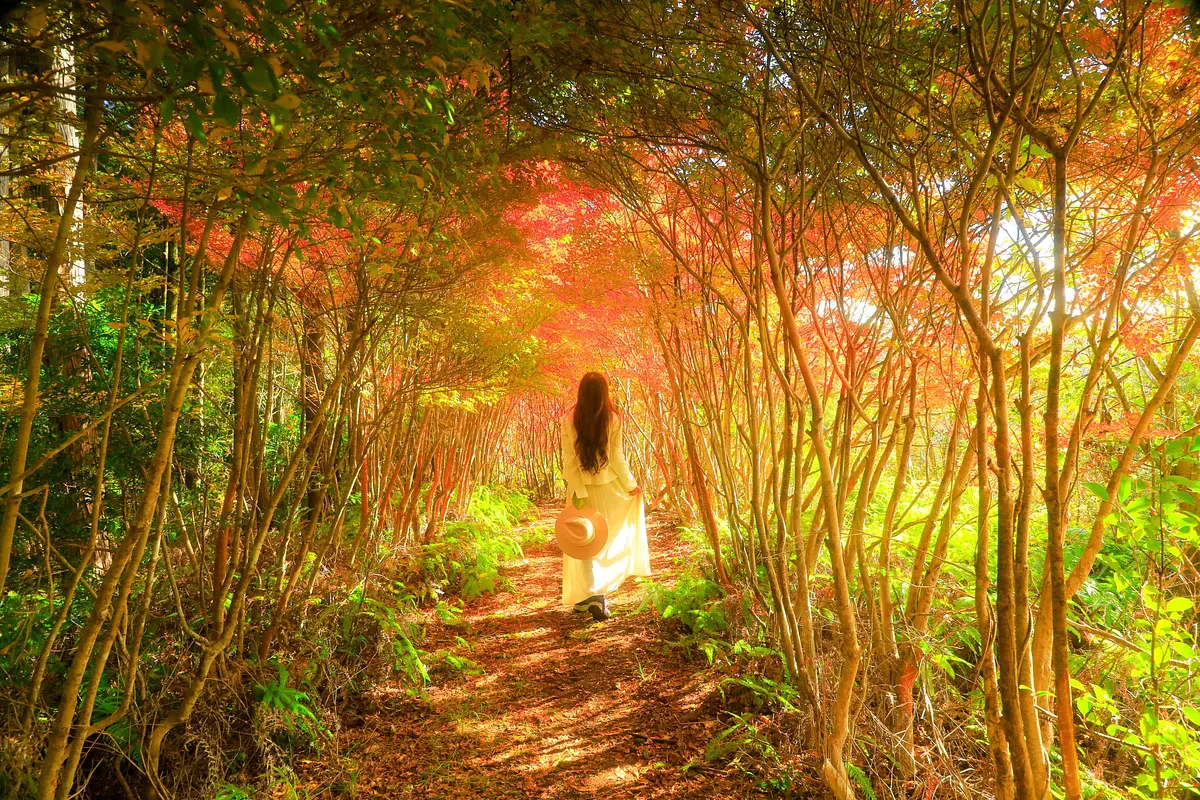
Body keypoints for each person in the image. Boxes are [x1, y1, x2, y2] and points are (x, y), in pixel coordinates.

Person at [560, 372, 652, 621]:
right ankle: (597, 597)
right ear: (604, 393)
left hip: (581, 489)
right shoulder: (612, 419)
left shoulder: (568, 419)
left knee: (582, 540)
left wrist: (578, 490)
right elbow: (616, 456)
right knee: (604, 539)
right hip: (608, 487)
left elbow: (569, 460)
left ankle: (586, 597)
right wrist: (631, 485)